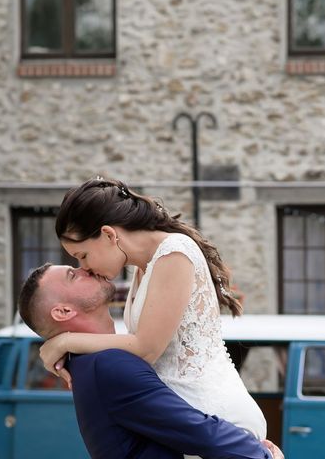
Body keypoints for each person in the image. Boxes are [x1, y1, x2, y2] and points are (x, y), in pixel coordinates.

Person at [39, 177, 267, 443]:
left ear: (109, 235)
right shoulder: (144, 266)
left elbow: (146, 348)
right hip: (188, 421)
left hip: (216, 419)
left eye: (83, 255)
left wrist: (66, 340)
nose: (85, 267)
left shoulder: (174, 254)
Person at [19, 263, 284, 459]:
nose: (86, 267)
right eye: (73, 275)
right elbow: (195, 428)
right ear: (63, 311)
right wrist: (262, 455)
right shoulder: (108, 365)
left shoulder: (93, 362)